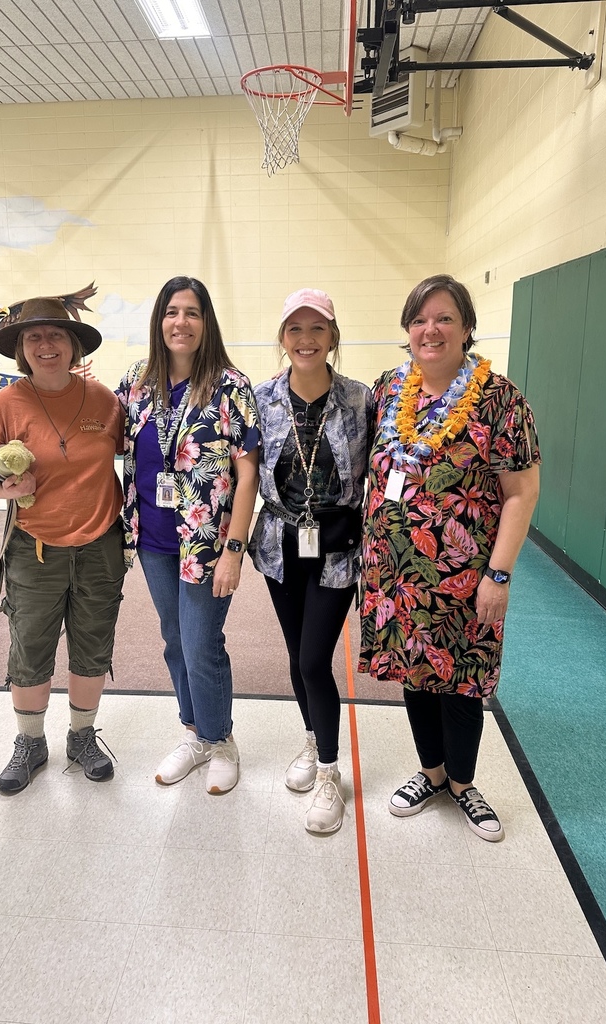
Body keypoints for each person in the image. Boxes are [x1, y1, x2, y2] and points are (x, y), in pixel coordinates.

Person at [359, 274, 541, 841]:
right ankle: (431, 774)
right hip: (397, 574)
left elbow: (521, 492)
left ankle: (463, 783)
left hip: (467, 577)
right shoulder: (390, 389)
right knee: (416, 673)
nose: (429, 330)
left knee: (461, 680)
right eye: (418, 320)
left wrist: (499, 574)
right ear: (407, 332)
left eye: (443, 319)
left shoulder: (500, 400)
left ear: (466, 329)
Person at [0, 297, 128, 794]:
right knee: (30, 646)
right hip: (32, 549)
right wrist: (0, 490)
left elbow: (136, 454)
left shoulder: (105, 401)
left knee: (93, 644)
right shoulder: (0, 406)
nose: (45, 345)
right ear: (20, 349)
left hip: (101, 544)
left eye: (55, 335)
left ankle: (82, 736)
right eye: (33, 337)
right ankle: (30, 742)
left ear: (73, 344)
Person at [116, 276, 260, 794]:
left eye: (192, 313)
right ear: (159, 321)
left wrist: (234, 551)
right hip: (153, 540)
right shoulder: (136, 382)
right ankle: (194, 732)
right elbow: (99, 432)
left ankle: (221, 741)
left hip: (206, 544)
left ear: (206, 323)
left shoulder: (228, 385)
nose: (181, 322)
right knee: (174, 641)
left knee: (202, 644)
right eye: (172, 312)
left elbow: (248, 475)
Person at [249, 289, 374, 834]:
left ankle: (329, 775)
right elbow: (246, 471)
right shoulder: (261, 398)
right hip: (281, 544)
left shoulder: (360, 399)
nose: (306, 340)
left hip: (336, 549)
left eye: (317, 329)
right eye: (295, 329)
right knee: (297, 652)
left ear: (333, 337)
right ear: (283, 338)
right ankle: (311, 738)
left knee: (313, 660)